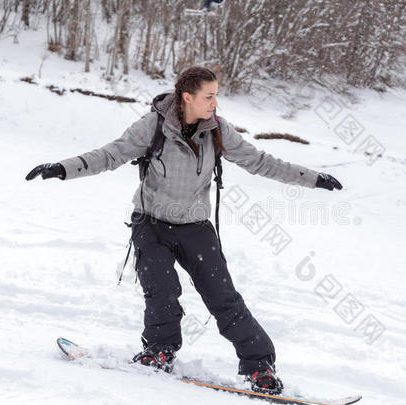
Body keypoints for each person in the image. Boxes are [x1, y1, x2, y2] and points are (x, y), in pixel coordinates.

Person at [25, 66, 343, 394]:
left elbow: (260, 161)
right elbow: (110, 154)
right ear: (187, 97)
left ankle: (259, 366)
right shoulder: (153, 127)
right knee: (161, 292)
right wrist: (63, 168)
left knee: (224, 299)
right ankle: (159, 351)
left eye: (216, 96)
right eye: (209, 96)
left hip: (195, 228)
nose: (214, 103)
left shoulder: (217, 130)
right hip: (151, 225)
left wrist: (312, 178)